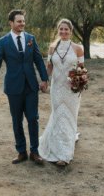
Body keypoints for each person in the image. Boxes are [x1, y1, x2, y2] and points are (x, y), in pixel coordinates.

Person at [0, 10, 49, 165]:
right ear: (11, 23)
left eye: (23, 21)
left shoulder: (31, 39)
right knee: (16, 120)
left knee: (33, 119)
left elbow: (38, 60)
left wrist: (44, 79)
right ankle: (21, 152)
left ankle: (35, 152)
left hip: (31, 86)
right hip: (13, 88)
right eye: (19, 21)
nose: (22, 24)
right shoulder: (3, 42)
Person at [38, 18, 85, 166]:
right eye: (61, 29)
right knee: (58, 115)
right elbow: (50, 67)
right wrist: (44, 80)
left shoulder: (78, 48)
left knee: (70, 117)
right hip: (57, 88)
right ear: (58, 31)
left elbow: (82, 67)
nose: (63, 32)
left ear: (71, 31)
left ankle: (65, 155)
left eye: (66, 29)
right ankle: (58, 150)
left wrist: (80, 80)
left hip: (71, 89)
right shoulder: (52, 48)